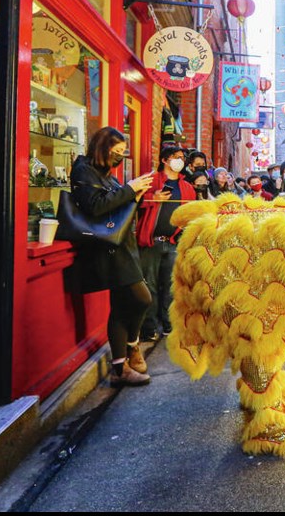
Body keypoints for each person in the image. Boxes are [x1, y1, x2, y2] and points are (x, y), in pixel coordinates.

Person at [68, 126, 155, 387]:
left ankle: (120, 368)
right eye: (116, 152)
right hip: (108, 251)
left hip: (122, 247)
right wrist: (129, 189)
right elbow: (95, 206)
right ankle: (132, 346)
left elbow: (118, 208)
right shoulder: (84, 170)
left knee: (120, 306)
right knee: (142, 298)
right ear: (103, 148)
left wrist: (135, 196)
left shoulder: (109, 176)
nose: (119, 157)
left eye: (122, 153)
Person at [136, 145, 196, 340]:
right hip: (150, 242)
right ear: (165, 160)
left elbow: (190, 216)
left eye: (182, 158)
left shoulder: (186, 187)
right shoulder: (150, 180)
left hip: (172, 243)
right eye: (177, 157)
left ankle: (170, 325)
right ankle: (149, 328)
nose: (180, 161)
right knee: (149, 286)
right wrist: (152, 198)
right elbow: (131, 202)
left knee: (171, 286)